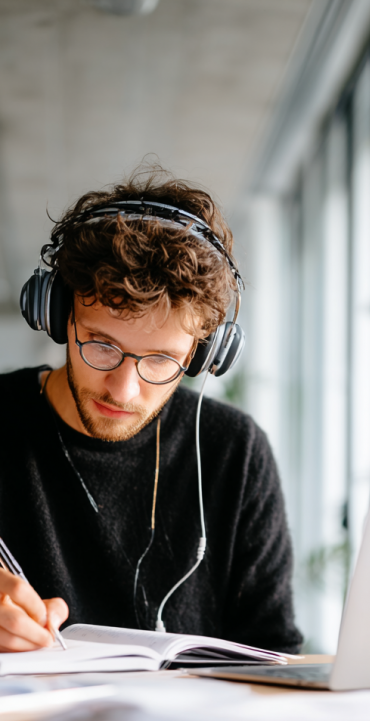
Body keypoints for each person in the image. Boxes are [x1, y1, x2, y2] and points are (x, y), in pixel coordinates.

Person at [0, 167, 302, 653]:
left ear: (200, 356)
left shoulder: (235, 451)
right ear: (58, 315)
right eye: (101, 345)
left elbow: (274, 651)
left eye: (161, 360)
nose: (123, 390)